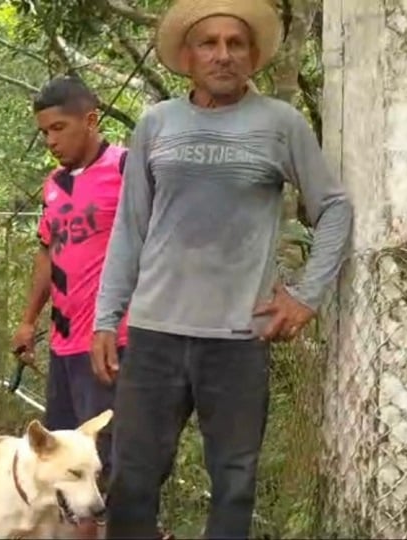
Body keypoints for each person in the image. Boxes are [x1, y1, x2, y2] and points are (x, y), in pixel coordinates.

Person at [90, 0, 354, 538]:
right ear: (187, 56)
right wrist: (105, 316)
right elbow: (131, 227)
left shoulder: (279, 125)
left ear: (253, 55)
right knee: (133, 480)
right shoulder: (157, 123)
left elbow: (334, 207)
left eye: (235, 44)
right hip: (155, 333)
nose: (222, 55)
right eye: (209, 43)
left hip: (236, 340)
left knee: (234, 483)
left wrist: (306, 296)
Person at [11, 75, 129, 539]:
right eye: (44, 133)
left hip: (112, 341)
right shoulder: (54, 184)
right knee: (62, 459)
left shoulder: (127, 169)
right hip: (63, 345)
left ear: (91, 119)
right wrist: (27, 320)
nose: (51, 141)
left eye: (59, 128)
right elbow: (47, 251)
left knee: (103, 461)